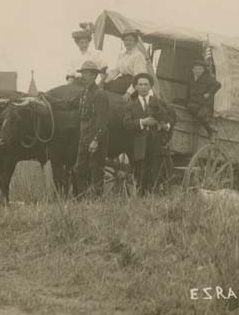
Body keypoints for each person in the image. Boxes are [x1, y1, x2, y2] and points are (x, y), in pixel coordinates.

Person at [47, 61, 110, 196]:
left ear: (94, 76)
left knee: (96, 169)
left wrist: (96, 140)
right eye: (83, 73)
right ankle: (83, 198)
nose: (83, 76)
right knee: (79, 169)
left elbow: (102, 121)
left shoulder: (100, 94)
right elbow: (68, 104)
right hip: (83, 137)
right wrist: (48, 98)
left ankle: (98, 201)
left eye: (87, 74)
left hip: (94, 137)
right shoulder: (84, 93)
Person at [123, 73, 176, 195]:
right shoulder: (131, 105)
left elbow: (172, 116)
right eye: (140, 85)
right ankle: (141, 196)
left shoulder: (158, 102)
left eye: (146, 85)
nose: (143, 87)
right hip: (139, 145)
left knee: (155, 173)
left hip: (156, 144)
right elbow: (126, 124)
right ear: (135, 87)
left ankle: (154, 197)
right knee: (140, 173)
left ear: (150, 86)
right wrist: (143, 122)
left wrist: (166, 125)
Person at [104, 30, 150, 101]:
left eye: (130, 40)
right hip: (123, 81)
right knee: (106, 87)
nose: (127, 42)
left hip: (133, 84)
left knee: (111, 91)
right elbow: (115, 70)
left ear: (135, 42)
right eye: (126, 40)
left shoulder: (138, 56)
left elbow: (139, 77)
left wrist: (129, 92)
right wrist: (105, 81)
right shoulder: (122, 55)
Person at [186, 60, 221, 137]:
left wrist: (209, 93)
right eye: (196, 69)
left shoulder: (207, 78)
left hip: (204, 103)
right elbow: (188, 90)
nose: (198, 71)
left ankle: (209, 130)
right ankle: (209, 128)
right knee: (190, 108)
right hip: (194, 102)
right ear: (193, 70)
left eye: (200, 69)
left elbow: (218, 85)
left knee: (201, 115)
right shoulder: (191, 78)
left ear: (203, 70)